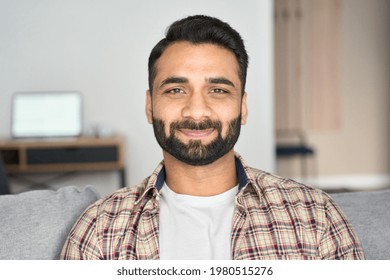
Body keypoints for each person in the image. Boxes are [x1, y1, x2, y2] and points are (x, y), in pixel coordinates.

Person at [61, 15, 364, 260]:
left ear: (242, 107)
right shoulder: (99, 229)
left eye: (218, 90)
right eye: (176, 90)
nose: (196, 111)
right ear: (150, 105)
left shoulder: (316, 217)